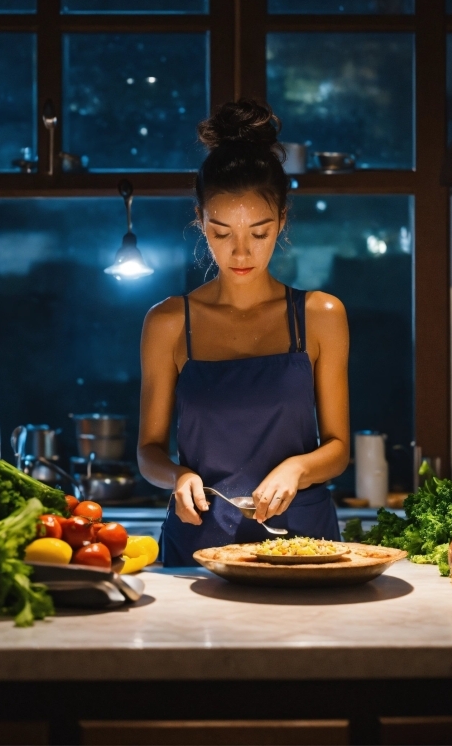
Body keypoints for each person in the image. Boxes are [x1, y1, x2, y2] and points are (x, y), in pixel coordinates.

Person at [138, 99, 350, 567]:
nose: (240, 252)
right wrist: (177, 476)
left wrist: (298, 467)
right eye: (221, 232)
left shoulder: (321, 314)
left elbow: (337, 449)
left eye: (258, 232)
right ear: (200, 221)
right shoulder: (168, 322)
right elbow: (148, 451)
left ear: (282, 222)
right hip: (199, 541)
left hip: (301, 543)